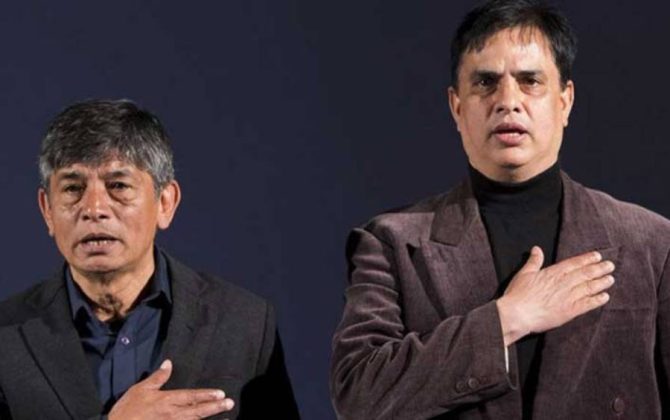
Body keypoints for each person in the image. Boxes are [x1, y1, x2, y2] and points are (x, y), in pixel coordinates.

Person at [330, 0, 670, 419]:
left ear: (565, 101)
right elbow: (359, 395)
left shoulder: (653, 244)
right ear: (457, 107)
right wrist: (507, 318)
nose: (508, 101)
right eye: (486, 82)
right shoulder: (390, 243)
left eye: (530, 81)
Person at [0, 99, 300, 419]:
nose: (94, 209)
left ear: (165, 203)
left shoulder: (245, 324)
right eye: (73, 189)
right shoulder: (6, 338)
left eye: (118, 186)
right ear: (47, 209)